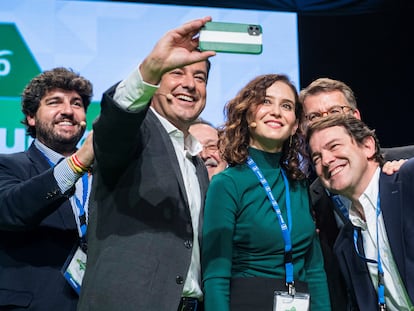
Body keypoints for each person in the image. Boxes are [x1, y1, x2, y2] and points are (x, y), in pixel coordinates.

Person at [77, 17, 216, 311]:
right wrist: (150, 68)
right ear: (156, 82)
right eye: (176, 72)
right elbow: (115, 124)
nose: (189, 85)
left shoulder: (198, 162)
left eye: (200, 77)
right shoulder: (136, 131)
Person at [201, 74, 331, 311]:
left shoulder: (298, 185)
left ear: (294, 125)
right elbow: (216, 275)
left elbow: (314, 268)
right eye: (266, 102)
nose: (276, 111)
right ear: (248, 115)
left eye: (286, 106)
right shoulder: (227, 184)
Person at [299, 77, 414, 310]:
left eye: (334, 146)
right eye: (317, 158)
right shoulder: (346, 240)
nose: (327, 161)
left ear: (368, 146)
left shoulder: (405, 177)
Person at [0, 67, 94, 310]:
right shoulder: (8, 166)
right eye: (54, 102)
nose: (67, 111)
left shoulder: (105, 176)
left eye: (76, 103)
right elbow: (11, 211)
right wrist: (77, 163)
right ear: (31, 117)